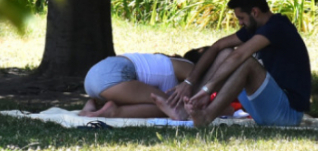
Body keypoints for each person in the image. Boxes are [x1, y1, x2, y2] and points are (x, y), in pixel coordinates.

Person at [153, 0, 312, 127]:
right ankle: (185, 109)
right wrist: (190, 82)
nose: (240, 23)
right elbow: (218, 46)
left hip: (288, 113)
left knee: (247, 63)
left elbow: (240, 56)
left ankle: (206, 117)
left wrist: (208, 89)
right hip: (268, 110)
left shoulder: (277, 27)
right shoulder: (256, 27)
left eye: (241, 18)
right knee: (225, 53)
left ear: (254, 12)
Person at [78, 49, 233, 119]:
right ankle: (113, 112)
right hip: (115, 74)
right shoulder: (190, 69)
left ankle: (95, 104)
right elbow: (202, 102)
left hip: (95, 77)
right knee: (176, 109)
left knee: (164, 104)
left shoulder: (165, 66)